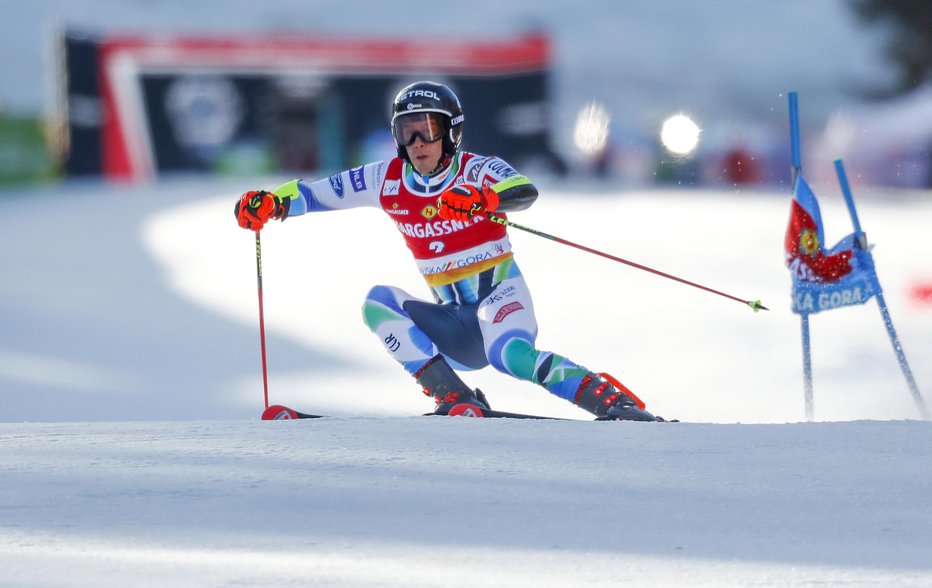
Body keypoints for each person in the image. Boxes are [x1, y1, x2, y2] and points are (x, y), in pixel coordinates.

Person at [234, 80, 662, 421]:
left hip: (500, 298)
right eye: (407, 131)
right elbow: (314, 193)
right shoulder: (386, 178)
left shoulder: (478, 168)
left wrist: (484, 200)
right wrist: (272, 203)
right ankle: (456, 398)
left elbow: (522, 190)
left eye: (428, 129)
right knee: (377, 303)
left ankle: (610, 404)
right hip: (454, 322)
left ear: (451, 132)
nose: (417, 141)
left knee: (509, 355)